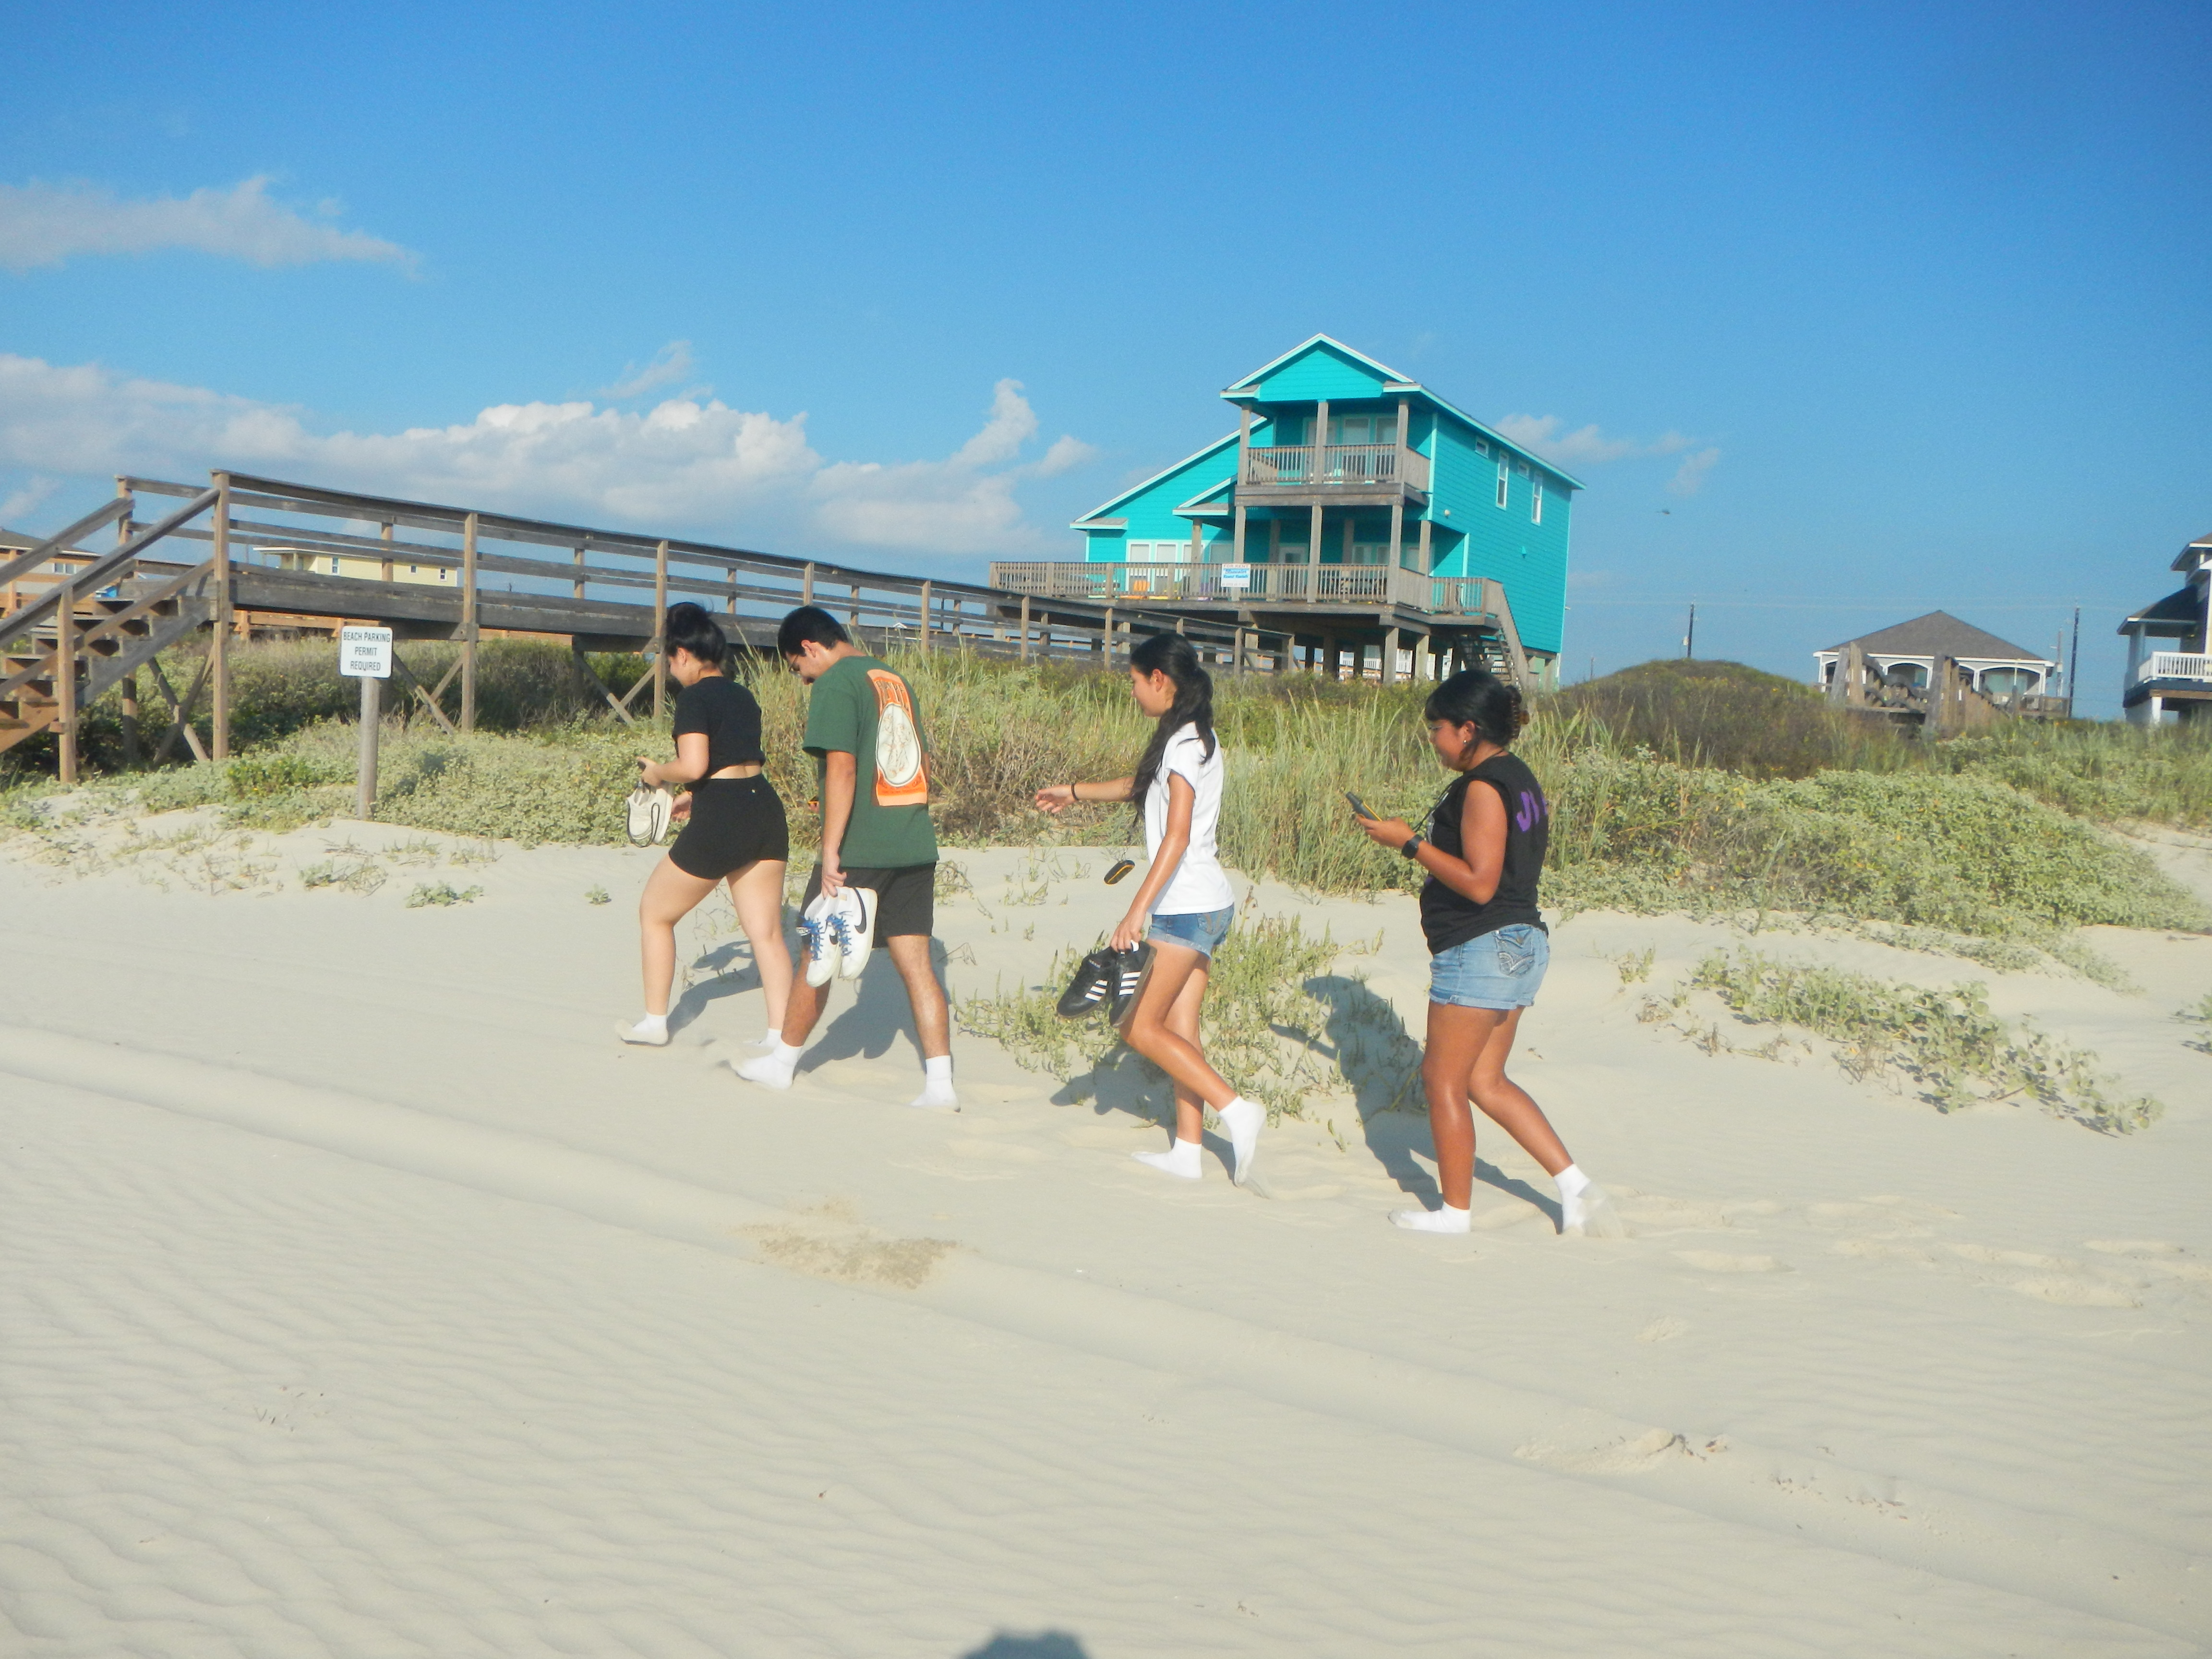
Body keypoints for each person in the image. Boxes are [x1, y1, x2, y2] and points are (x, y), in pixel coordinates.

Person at [1352, 668, 1620, 1237]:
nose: (1433, 738)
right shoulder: (1520, 777)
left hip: (1483, 944)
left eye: (1439, 728)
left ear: (1468, 730)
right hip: (1519, 941)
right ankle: (1576, 1188)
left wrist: (1410, 843)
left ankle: (1455, 1213)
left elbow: (1479, 883)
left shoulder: (1482, 786)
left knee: (1443, 1080)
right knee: (1486, 1081)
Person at [1034, 632, 1265, 1185]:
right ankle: (1188, 1151)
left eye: (1135, 682)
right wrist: (1074, 790)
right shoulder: (1194, 737)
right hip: (1208, 904)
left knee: (1135, 1024)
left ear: (1159, 680)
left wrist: (1135, 911)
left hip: (1183, 909)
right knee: (1181, 1029)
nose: (1134, 693)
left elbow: (1177, 836)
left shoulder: (1185, 745)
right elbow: (1139, 787)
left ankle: (1236, 1110)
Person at [732, 606, 957, 1109]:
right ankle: (941, 1085)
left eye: (796, 667)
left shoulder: (836, 681)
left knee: (816, 950)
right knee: (918, 965)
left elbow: (843, 769)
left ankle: (782, 1063)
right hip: (914, 840)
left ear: (811, 647)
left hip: (864, 843)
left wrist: (831, 847)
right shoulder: (892, 678)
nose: (801, 678)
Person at [621, 602, 793, 1048]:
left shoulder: (694, 698)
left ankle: (655, 1023)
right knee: (768, 934)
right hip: (764, 809)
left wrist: (659, 774)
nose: (671, 669)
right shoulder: (743, 695)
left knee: (655, 914)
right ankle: (780, 1039)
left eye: (669, 660)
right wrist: (692, 798)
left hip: (726, 818)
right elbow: (734, 763)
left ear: (681, 654)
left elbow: (695, 763)